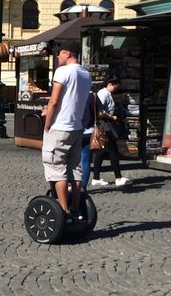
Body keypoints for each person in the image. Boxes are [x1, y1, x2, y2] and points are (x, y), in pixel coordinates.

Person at [42, 40, 92, 221]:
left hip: (59, 127)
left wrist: (47, 124)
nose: (57, 57)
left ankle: (64, 212)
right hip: (77, 127)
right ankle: (76, 208)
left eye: (60, 53)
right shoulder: (86, 74)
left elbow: (54, 101)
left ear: (68, 53)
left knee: (56, 169)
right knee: (75, 170)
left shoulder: (62, 71)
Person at [90, 76, 129, 187]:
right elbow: (100, 111)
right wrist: (112, 117)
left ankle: (96, 177)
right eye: (116, 86)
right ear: (110, 84)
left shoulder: (106, 93)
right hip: (105, 125)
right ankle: (118, 177)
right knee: (113, 151)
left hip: (105, 124)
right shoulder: (104, 94)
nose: (116, 89)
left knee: (101, 152)